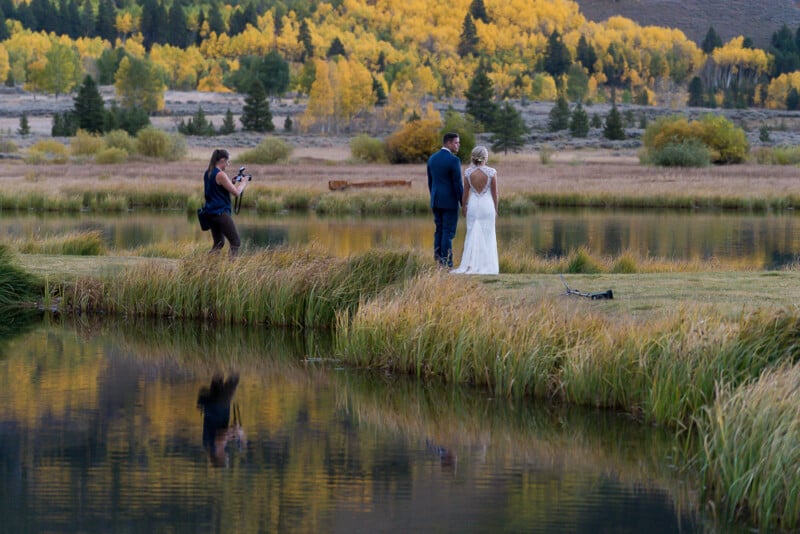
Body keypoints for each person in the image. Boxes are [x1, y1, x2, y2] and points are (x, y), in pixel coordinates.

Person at [451, 146, 499, 275]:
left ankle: (471, 264)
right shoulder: (491, 172)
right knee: (487, 235)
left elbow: (465, 192)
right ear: (485, 157)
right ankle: (486, 266)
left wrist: (464, 206)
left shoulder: (468, 172)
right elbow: (495, 194)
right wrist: (496, 208)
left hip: (473, 205)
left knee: (471, 233)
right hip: (487, 206)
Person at [200, 149, 248, 258]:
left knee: (219, 243)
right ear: (222, 160)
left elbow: (216, 189)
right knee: (235, 242)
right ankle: (231, 269)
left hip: (210, 213)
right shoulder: (221, 174)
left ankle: (204, 265)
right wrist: (243, 183)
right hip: (220, 213)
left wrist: (231, 182)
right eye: (228, 161)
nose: (228, 164)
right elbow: (236, 193)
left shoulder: (208, 172)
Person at [427, 132, 464, 267]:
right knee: (448, 233)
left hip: (436, 200)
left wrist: (434, 197)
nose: (458, 145)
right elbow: (458, 185)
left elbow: (430, 183)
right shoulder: (454, 160)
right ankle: (447, 263)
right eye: (456, 142)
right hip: (449, 202)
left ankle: (438, 261)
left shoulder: (432, 158)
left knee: (439, 230)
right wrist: (463, 203)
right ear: (448, 143)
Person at [197, 373, 245, 467]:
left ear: (220, 458)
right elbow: (223, 435)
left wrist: (235, 431)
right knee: (217, 374)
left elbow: (220, 437)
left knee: (234, 377)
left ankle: (235, 363)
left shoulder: (215, 448)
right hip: (211, 405)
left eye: (225, 459)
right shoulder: (208, 446)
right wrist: (237, 434)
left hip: (219, 406)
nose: (227, 456)